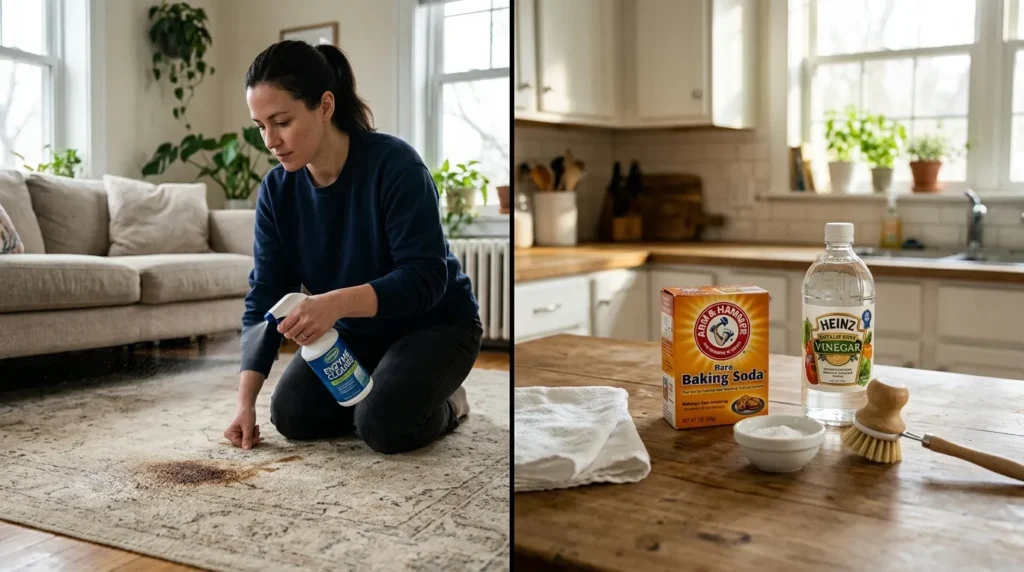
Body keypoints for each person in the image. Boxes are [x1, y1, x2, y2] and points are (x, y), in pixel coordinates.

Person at [223, 40, 482, 455]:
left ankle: (449, 401)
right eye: (260, 126)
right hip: (359, 331)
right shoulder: (276, 191)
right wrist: (244, 403)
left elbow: (426, 278)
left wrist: (333, 305)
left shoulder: (396, 166)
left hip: (436, 325)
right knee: (291, 416)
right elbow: (266, 297)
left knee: (382, 427)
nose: (270, 140)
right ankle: (391, 389)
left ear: (325, 106)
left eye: (282, 121)